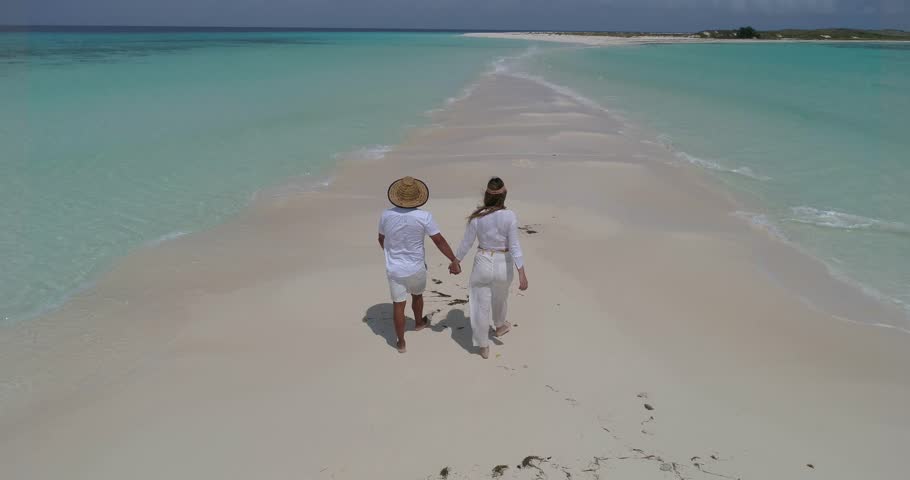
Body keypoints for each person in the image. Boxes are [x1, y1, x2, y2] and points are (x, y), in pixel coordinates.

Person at [379, 176, 460, 353]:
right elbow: (439, 240)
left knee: (398, 305)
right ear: (418, 197)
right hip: (416, 267)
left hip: (395, 268)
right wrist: (453, 259)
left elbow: (381, 239)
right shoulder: (424, 216)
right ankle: (418, 323)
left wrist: (391, 253)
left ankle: (401, 343)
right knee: (417, 295)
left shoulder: (386, 215)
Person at [451, 177, 528, 359]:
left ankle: (483, 346)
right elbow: (515, 246)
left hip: (483, 260)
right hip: (504, 262)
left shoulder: (478, 216)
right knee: (500, 297)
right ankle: (500, 326)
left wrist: (456, 261)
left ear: (486, 195)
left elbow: (466, 243)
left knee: (479, 304)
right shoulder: (509, 216)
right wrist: (522, 274)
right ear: (504, 196)